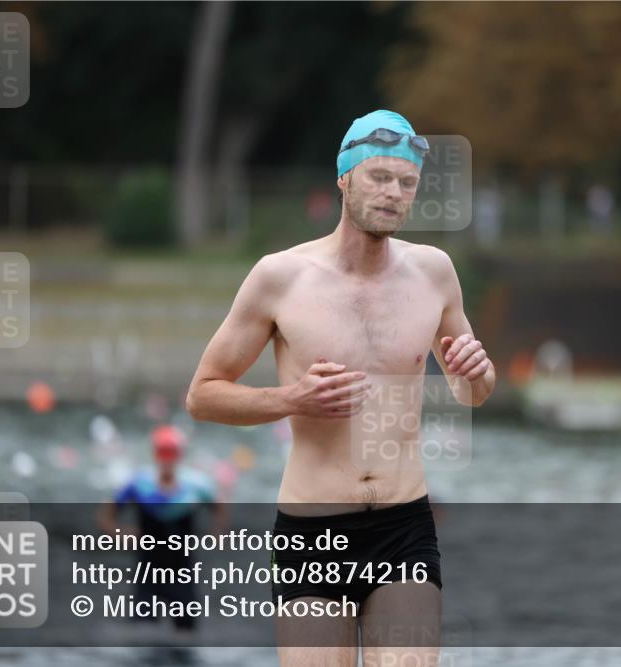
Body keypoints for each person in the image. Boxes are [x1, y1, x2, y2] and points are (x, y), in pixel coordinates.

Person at [186, 109, 496, 666]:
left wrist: (479, 373)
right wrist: (291, 400)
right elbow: (203, 394)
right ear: (344, 179)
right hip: (313, 533)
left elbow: (471, 391)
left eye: (406, 183)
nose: (393, 193)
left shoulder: (435, 273)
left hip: (404, 526)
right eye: (379, 177)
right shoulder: (280, 277)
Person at [98, 424, 226, 634]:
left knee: (186, 631)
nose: (167, 459)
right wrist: (120, 534)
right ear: (155, 455)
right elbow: (106, 515)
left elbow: (219, 506)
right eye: (162, 453)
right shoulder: (140, 484)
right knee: (143, 632)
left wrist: (218, 534)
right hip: (148, 570)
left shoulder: (194, 487)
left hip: (182, 571)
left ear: (179, 455)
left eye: (171, 453)